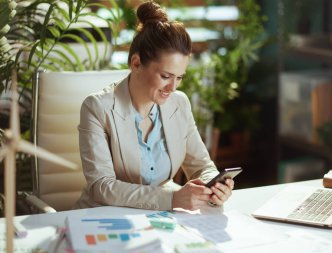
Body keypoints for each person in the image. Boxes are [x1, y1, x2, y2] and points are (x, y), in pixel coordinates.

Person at [74, 0, 234, 211]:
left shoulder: (179, 103)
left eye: (179, 78)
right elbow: (101, 186)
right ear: (136, 63)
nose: (172, 87)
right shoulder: (97, 108)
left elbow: (202, 166)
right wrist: (171, 199)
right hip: (103, 219)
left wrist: (215, 185)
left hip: (157, 221)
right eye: (166, 76)